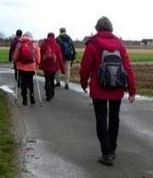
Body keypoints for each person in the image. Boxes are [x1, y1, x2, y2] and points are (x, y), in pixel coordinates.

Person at [79, 16, 137, 166]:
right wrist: (132, 90)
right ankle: (112, 148)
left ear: (97, 28)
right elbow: (128, 68)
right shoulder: (120, 44)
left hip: (99, 88)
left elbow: (85, 67)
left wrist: (83, 83)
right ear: (111, 28)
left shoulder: (93, 44)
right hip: (117, 87)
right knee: (114, 118)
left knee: (101, 119)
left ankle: (107, 152)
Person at [12, 31, 40, 105]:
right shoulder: (34, 43)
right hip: (31, 67)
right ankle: (32, 96)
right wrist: (37, 64)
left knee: (23, 83)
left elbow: (15, 55)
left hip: (21, 67)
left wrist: (15, 62)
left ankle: (24, 99)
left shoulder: (20, 43)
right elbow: (37, 56)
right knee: (30, 81)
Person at [40, 33, 66, 101]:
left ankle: (47, 93)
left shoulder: (43, 45)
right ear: (54, 37)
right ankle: (52, 93)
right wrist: (63, 70)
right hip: (54, 66)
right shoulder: (57, 45)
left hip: (45, 66)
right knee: (51, 80)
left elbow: (41, 55)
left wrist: (40, 65)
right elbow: (60, 58)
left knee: (47, 79)